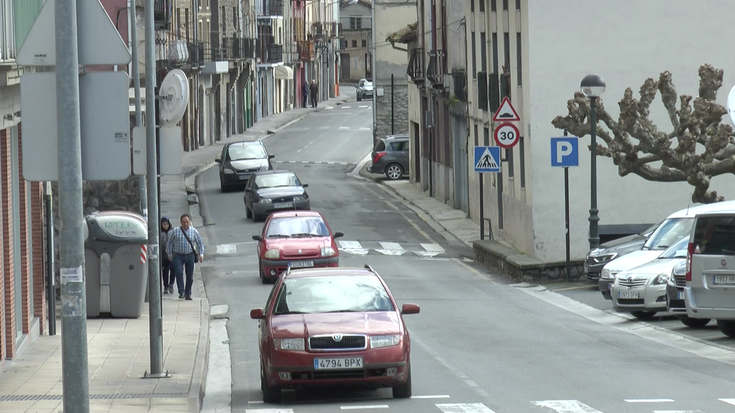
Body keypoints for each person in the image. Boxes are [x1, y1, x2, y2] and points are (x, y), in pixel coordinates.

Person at [166, 213, 205, 300]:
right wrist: (169, 254)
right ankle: (181, 292)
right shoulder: (175, 231)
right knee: (179, 273)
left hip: (190, 255)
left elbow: (200, 244)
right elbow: (169, 243)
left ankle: (188, 293)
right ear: (180, 222)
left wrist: (201, 254)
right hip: (178, 256)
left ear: (190, 222)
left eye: (187, 222)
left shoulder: (194, 231)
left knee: (190, 276)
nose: (185, 224)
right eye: (183, 222)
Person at [159, 216, 174, 294]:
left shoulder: (172, 232)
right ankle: (166, 286)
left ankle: (171, 284)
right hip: (163, 255)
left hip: (172, 254)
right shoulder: (159, 232)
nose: (165, 225)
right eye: (163, 224)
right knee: (165, 271)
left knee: (173, 270)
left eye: (167, 224)